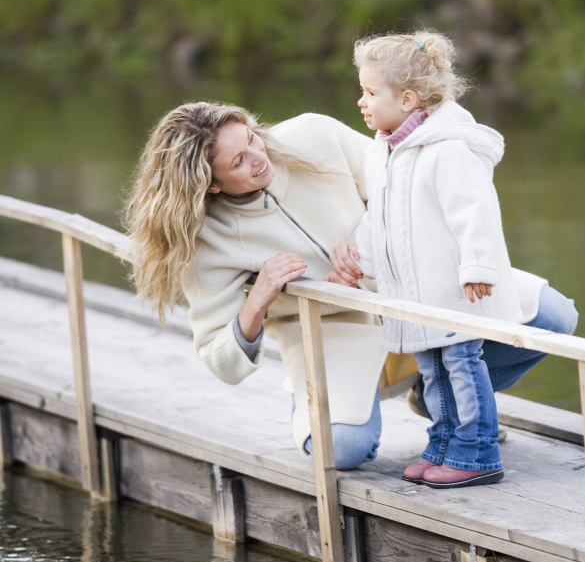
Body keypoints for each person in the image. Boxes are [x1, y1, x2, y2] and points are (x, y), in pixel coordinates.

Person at [330, 31, 578, 488]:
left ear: (407, 99)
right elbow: (379, 218)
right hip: (416, 295)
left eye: (369, 92)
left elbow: (475, 212)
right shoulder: (383, 151)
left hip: (453, 289)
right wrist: (358, 257)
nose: (360, 101)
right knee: (434, 371)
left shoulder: (447, 149)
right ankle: (443, 445)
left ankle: (477, 453)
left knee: (463, 366)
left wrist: (477, 268)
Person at [124, 102, 388, 470]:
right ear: (211, 185)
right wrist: (259, 298)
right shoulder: (205, 241)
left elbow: (401, 185)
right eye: (238, 163)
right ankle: (326, 401)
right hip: (328, 335)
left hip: (406, 297)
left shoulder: (316, 135)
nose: (259, 157)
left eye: (251, 139)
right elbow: (221, 361)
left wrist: (364, 242)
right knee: (339, 448)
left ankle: (430, 389)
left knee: (498, 348)